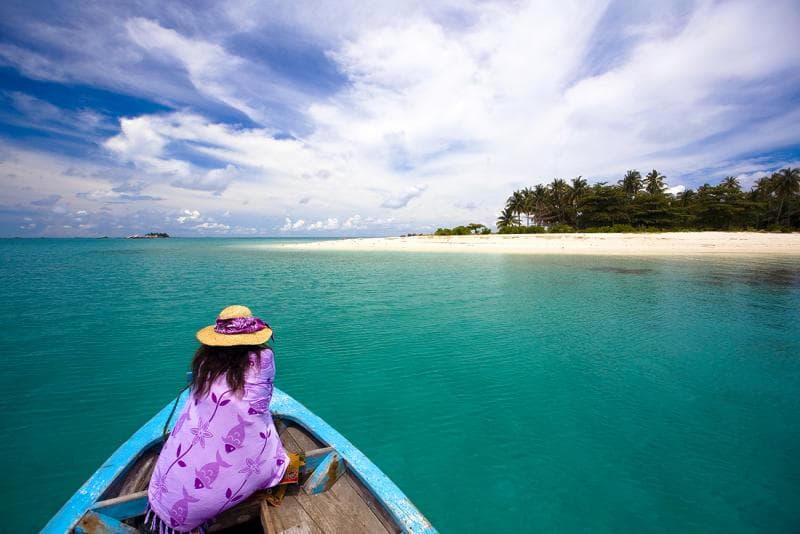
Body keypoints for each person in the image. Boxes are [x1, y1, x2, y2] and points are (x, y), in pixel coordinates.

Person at [145, 305, 289, 533]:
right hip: (208, 499)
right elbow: (261, 405)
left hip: (167, 493)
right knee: (270, 446)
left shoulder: (204, 361)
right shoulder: (264, 359)